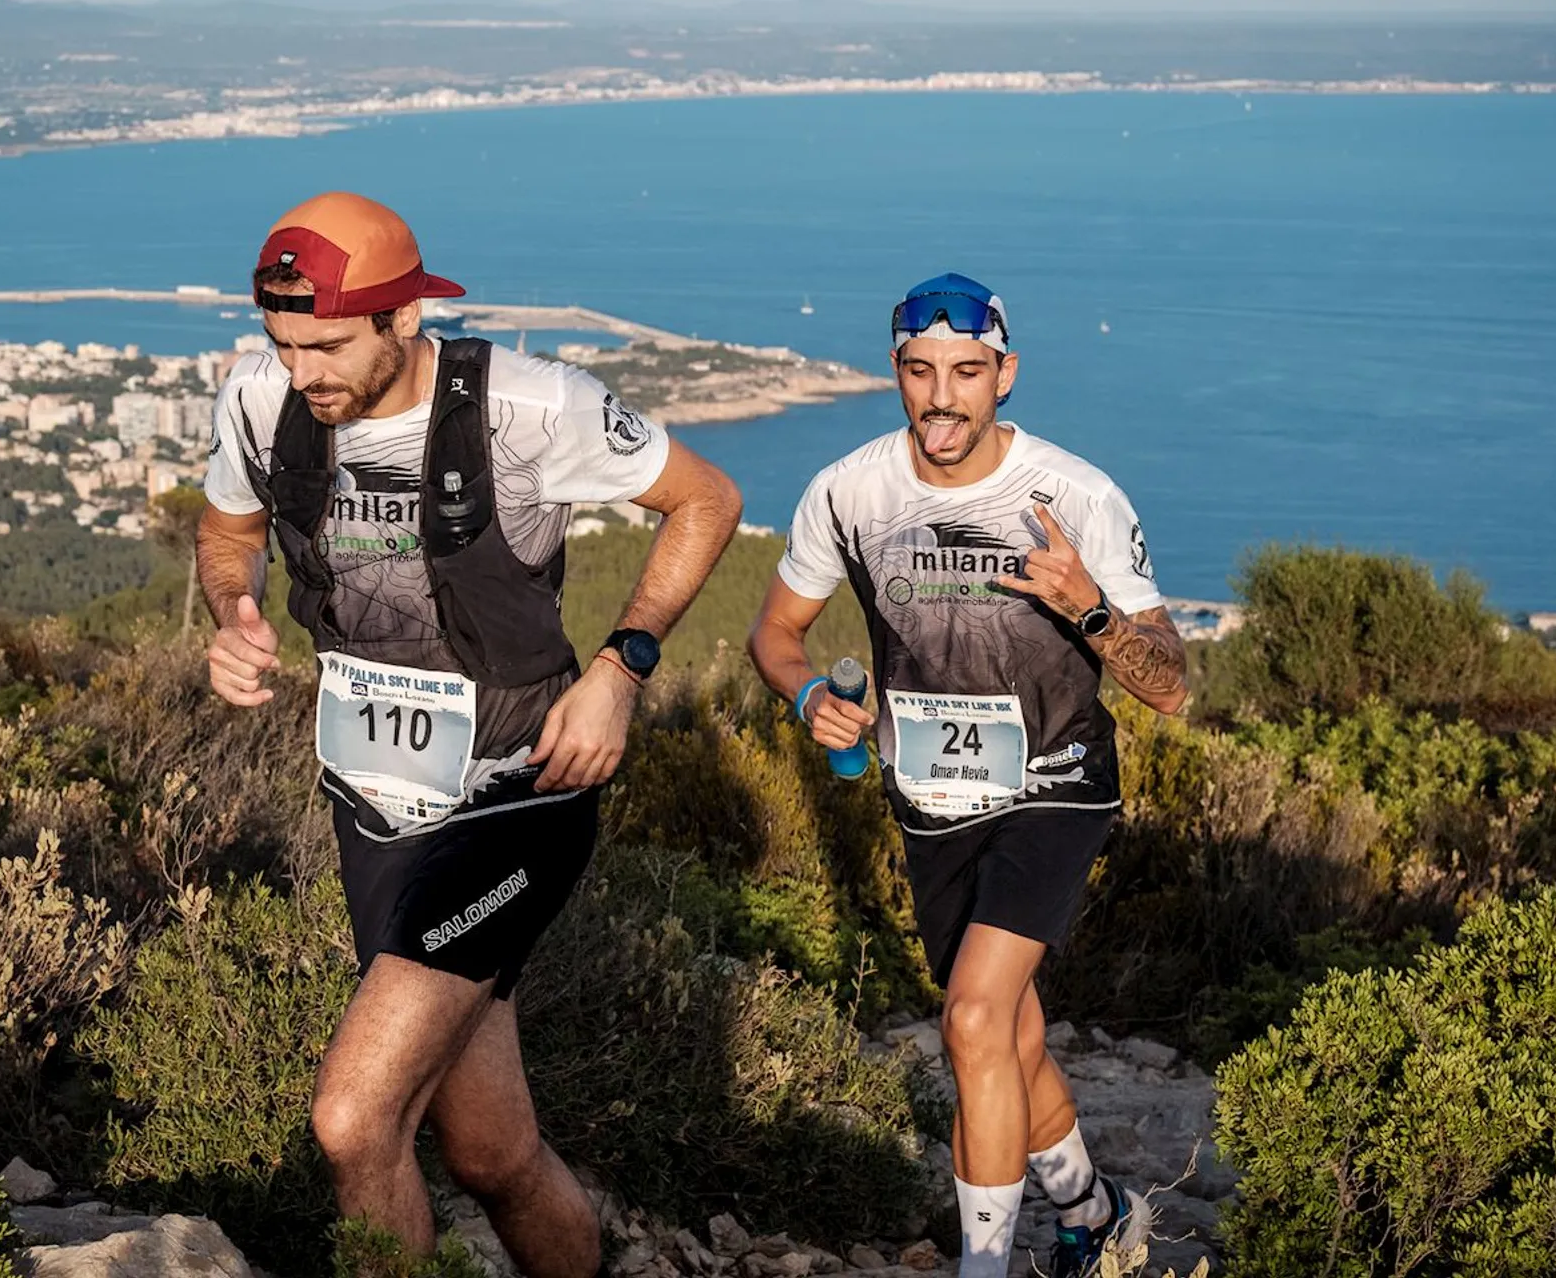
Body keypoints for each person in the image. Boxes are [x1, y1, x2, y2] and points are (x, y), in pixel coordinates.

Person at [197, 191, 742, 1278]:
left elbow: (707, 500)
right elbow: (227, 529)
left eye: (327, 345)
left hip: (515, 793)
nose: (302, 373)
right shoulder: (263, 394)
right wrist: (234, 612)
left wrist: (620, 667)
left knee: (355, 1120)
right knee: (492, 1150)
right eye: (282, 343)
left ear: (404, 317)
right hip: (371, 805)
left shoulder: (531, 407)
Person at [747, 274, 1187, 1278]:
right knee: (1009, 1030)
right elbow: (774, 633)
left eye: (968, 372)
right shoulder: (850, 491)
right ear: (896, 371)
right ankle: (1093, 1210)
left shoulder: (1073, 494)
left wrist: (1088, 607)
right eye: (920, 369)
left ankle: (984, 1266)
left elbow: (1167, 687)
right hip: (932, 798)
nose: (942, 394)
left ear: (1006, 375)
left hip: (1056, 782)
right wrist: (808, 693)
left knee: (975, 1018)